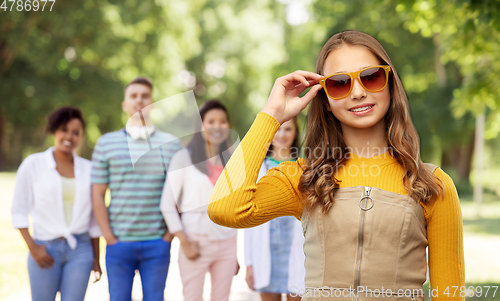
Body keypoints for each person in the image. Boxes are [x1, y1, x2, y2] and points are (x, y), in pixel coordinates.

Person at [208, 30, 465, 301]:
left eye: (371, 77)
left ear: (390, 84)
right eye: (340, 83)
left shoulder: (431, 184)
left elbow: (449, 295)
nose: (357, 92)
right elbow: (225, 208)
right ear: (326, 101)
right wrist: (271, 115)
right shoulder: (304, 178)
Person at [91, 77, 181, 301]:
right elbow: (97, 194)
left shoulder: (171, 144)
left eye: (145, 96)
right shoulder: (106, 143)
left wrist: (168, 237)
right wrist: (109, 237)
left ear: (153, 103)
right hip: (119, 243)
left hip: (157, 243)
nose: (139, 100)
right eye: (133, 96)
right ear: (124, 104)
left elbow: (180, 194)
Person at [11, 107, 102, 301]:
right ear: (53, 130)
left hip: (81, 250)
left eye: (75, 133)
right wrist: (33, 247)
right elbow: (19, 210)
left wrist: (96, 258)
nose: (69, 136)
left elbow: (94, 219)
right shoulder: (33, 165)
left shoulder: (90, 169)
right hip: (45, 248)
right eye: (64, 129)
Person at [160, 100, 238, 301]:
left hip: (227, 242)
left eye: (222, 121)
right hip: (194, 240)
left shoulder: (233, 161)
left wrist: (234, 253)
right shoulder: (183, 158)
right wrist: (184, 243)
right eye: (210, 121)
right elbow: (167, 204)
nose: (217, 126)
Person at [244, 117, 305, 301]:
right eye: (277, 130)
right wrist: (249, 263)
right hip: (265, 250)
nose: (282, 135)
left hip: (296, 251)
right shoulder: (258, 168)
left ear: (295, 132)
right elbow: (249, 219)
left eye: (288, 129)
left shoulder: (303, 167)